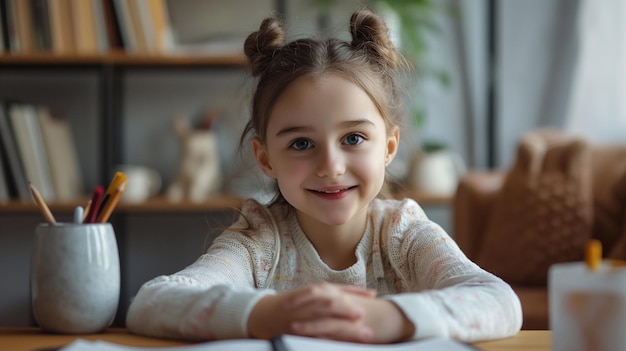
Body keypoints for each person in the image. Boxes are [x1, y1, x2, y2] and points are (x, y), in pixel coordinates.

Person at [126, 9, 522, 344]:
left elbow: (500, 301)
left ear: (388, 147)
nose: (330, 166)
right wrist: (264, 313)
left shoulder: (403, 235)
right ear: (265, 159)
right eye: (301, 144)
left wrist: (389, 318)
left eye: (353, 138)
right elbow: (151, 301)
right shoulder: (259, 242)